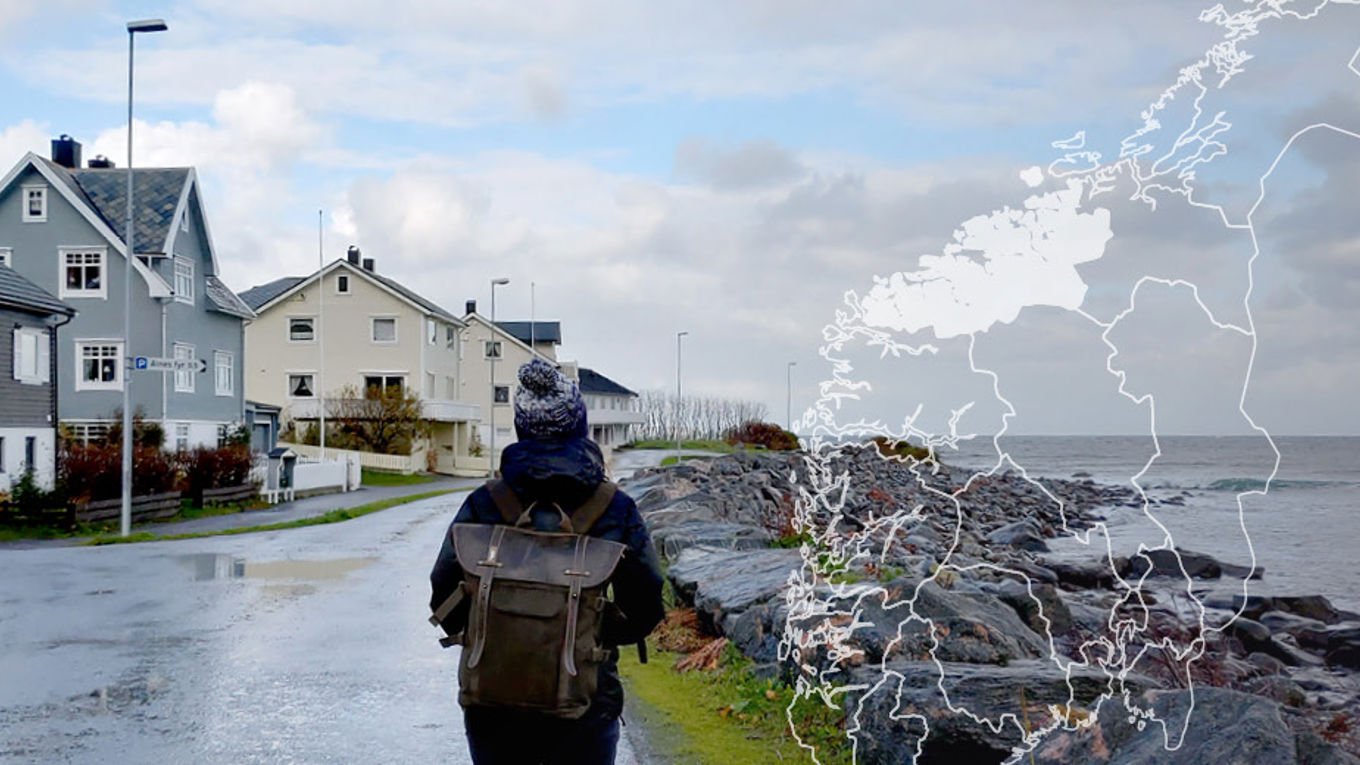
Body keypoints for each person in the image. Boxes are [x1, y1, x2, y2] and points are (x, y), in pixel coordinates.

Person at [430, 358, 665, 765]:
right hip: (585, 698)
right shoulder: (614, 508)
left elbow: (443, 595)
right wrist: (584, 629)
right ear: (579, 423)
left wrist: (504, 627)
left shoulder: (485, 502)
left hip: (492, 698)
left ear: (522, 427)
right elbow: (645, 604)